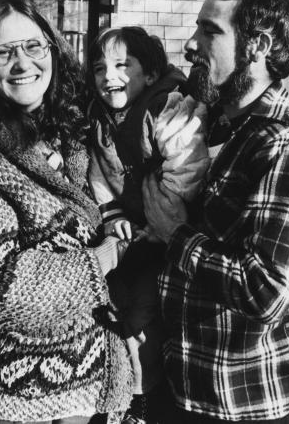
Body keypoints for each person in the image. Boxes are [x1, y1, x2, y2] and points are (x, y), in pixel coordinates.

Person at [0, 0, 133, 424]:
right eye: (2, 53)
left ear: (53, 52)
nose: (23, 64)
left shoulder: (76, 136)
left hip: (86, 377)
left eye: (33, 46)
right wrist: (100, 260)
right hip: (10, 391)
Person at [143, 0, 289, 423]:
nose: (191, 46)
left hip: (241, 404)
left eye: (210, 32)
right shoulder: (209, 128)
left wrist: (176, 235)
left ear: (258, 46)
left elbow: (266, 291)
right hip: (176, 389)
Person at [86, 26, 209, 424]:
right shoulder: (102, 120)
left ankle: (147, 400)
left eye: (123, 65)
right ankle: (129, 391)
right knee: (122, 316)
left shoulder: (166, 106)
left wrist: (161, 218)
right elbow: (100, 175)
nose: (110, 76)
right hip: (131, 235)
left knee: (150, 320)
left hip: (168, 233)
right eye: (101, 67)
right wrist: (113, 214)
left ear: (151, 74)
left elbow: (187, 164)